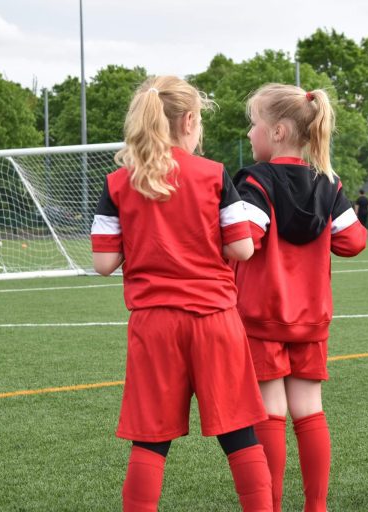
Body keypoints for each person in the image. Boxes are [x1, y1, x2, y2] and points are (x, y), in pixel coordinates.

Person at [90, 76, 273, 511]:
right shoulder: (213, 174)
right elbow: (243, 248)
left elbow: (103, 264)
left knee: (150, 440)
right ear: (190, 120)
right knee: (240, 434)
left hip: (153, 324)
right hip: (214, 320)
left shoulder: (119, 182)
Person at [233, 84, 367, 512]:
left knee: (270, 414)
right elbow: (354, 241)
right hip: (311, 319)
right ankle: (316, 507)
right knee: (310, 413)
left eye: (254, 125)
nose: (249, 134)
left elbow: (245, 240)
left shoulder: (254, 181)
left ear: (278, 131)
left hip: (262, 318)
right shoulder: (328, 182)